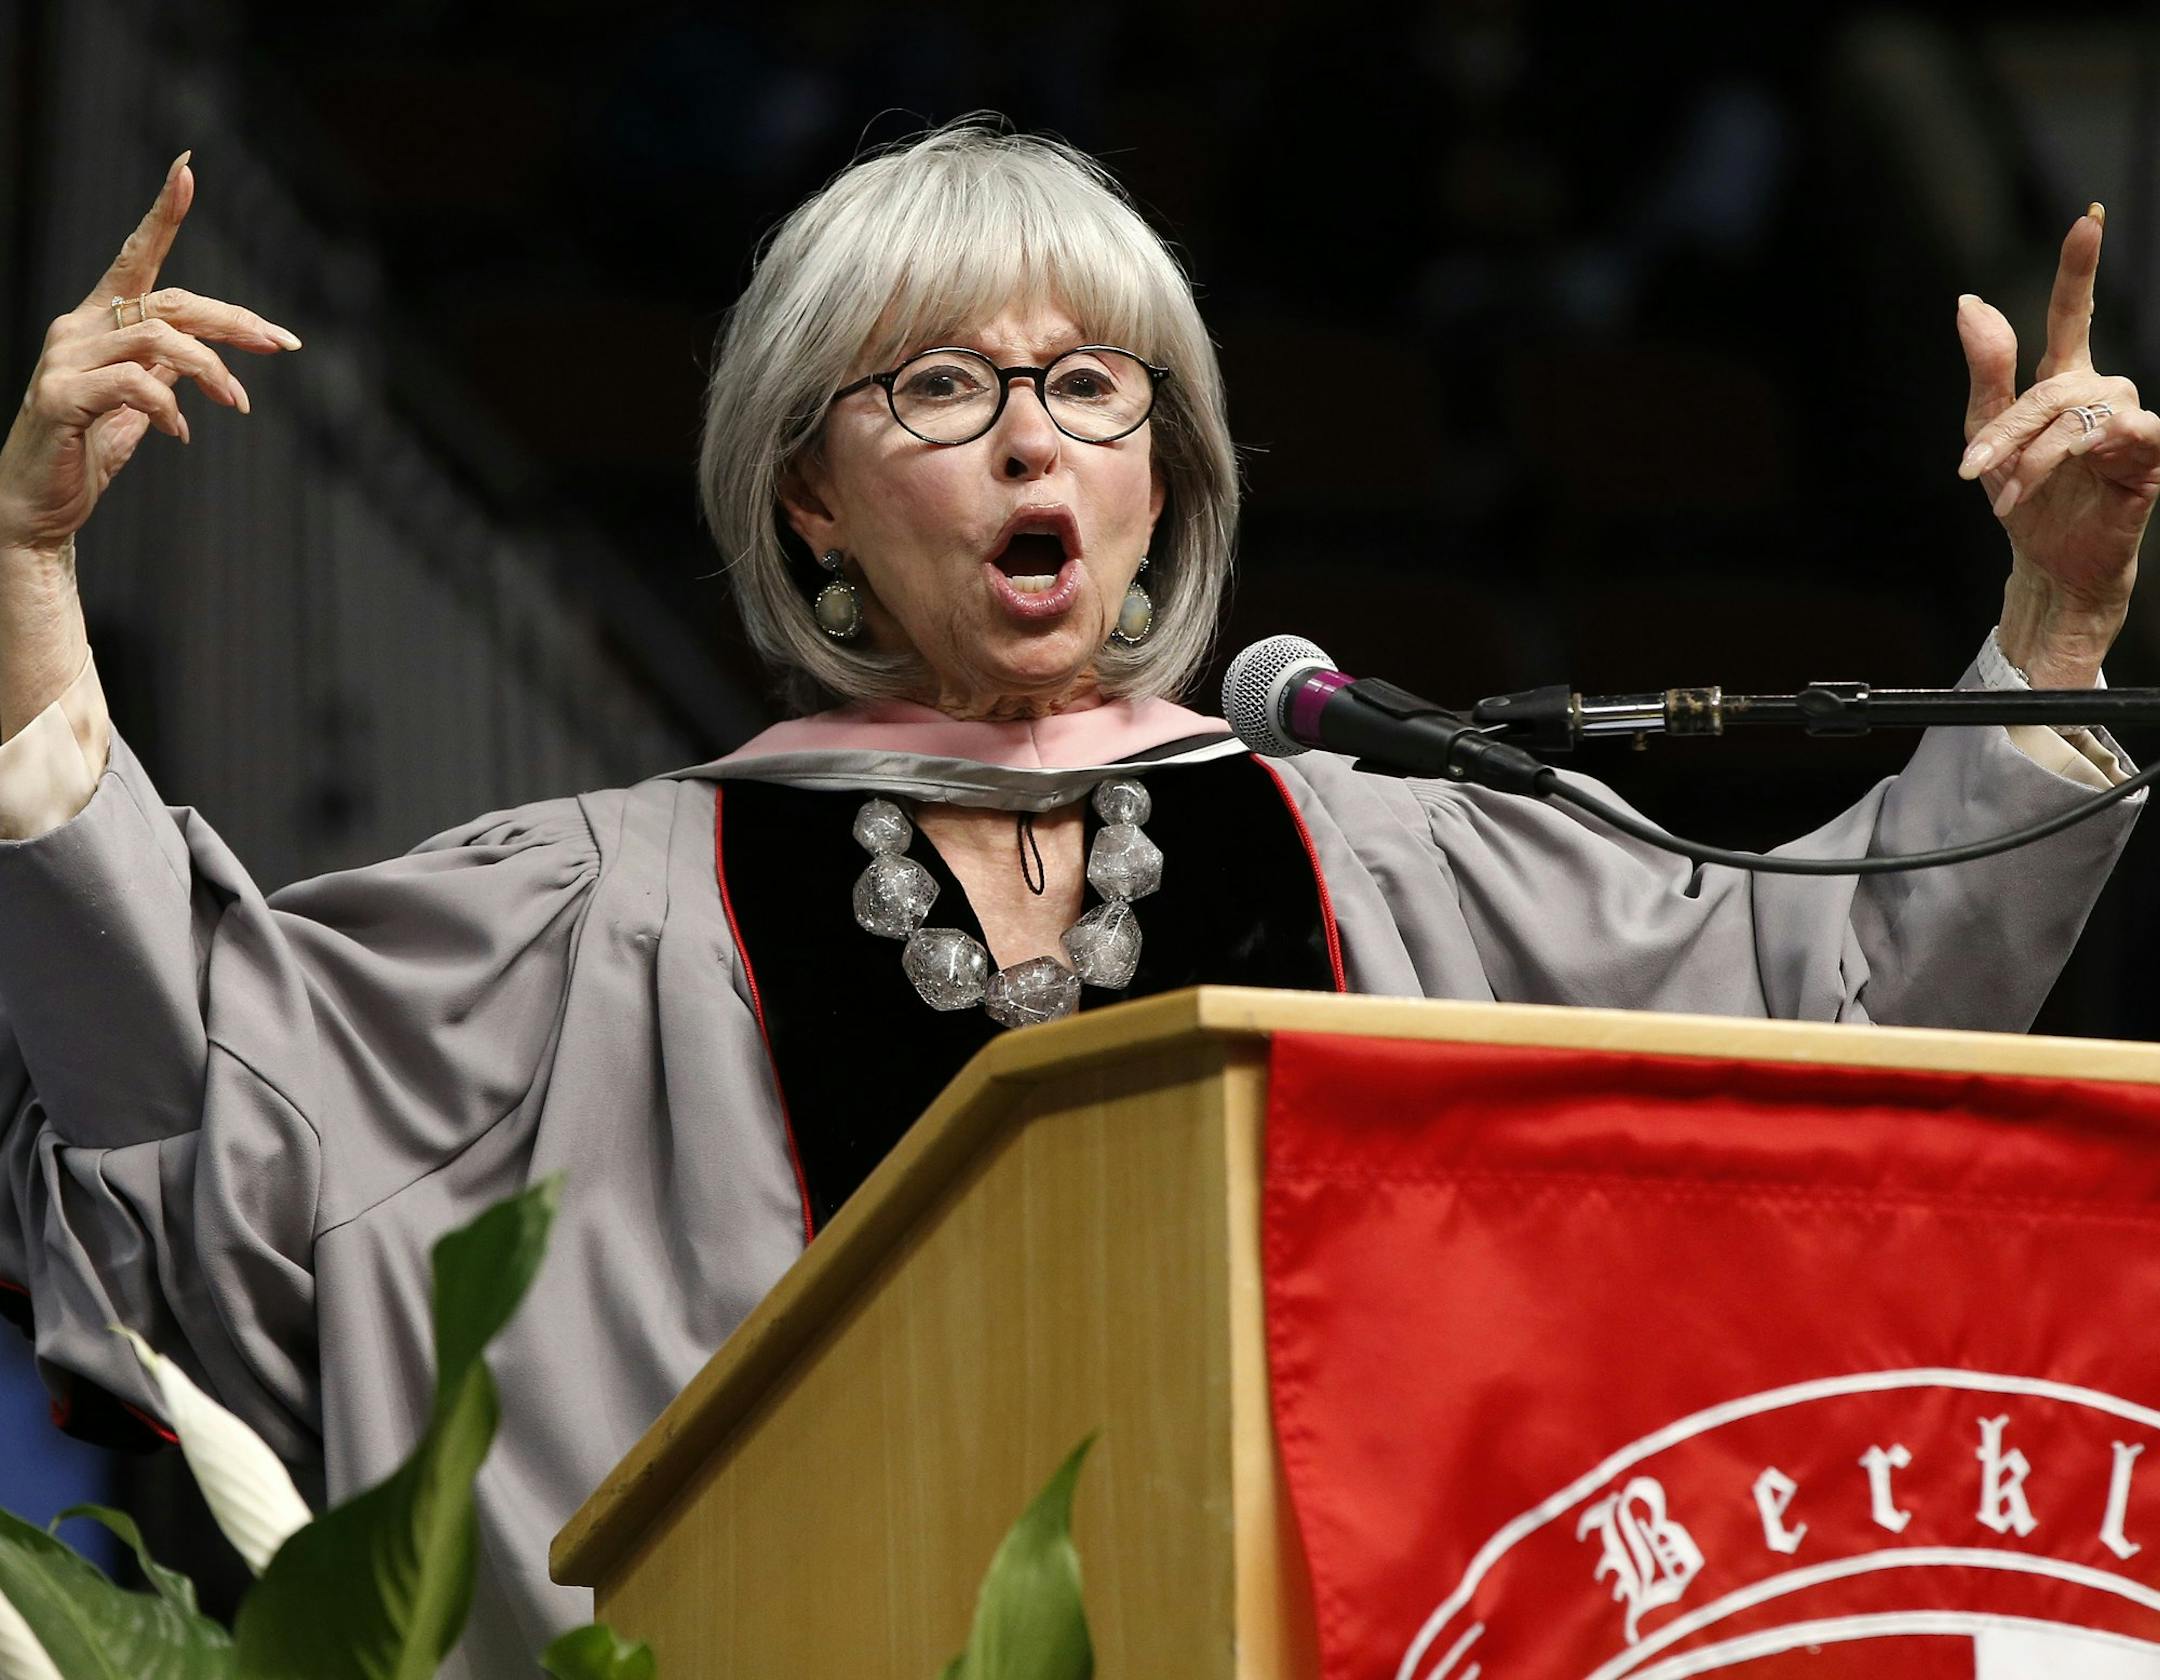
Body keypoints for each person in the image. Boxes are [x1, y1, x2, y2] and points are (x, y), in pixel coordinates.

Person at [0, 121, 2150, 1672]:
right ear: (813, 503)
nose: (1035, 443)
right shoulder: (600, 916)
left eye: (1091, 387)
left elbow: (1847, 1005)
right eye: (942, 387)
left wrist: (2053, 623)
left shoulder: (1396, 852)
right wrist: (22, 589)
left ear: (1163, 478)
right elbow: (176, 1102)